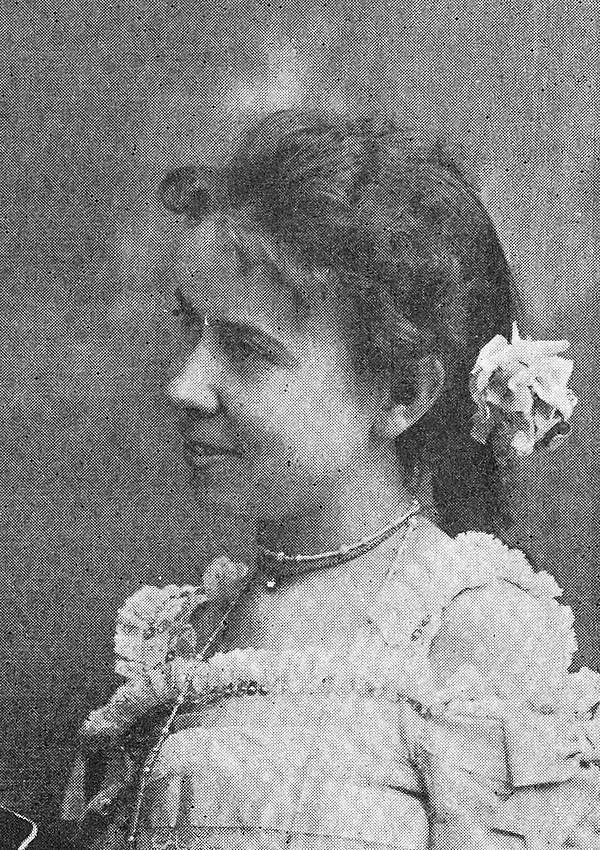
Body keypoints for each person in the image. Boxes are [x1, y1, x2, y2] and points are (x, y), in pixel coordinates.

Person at [60, 108, 598, 849]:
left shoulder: (472, 637)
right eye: (190, 330)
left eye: (247, 348)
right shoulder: (188, 633)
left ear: (402, 392)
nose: (185, 386)